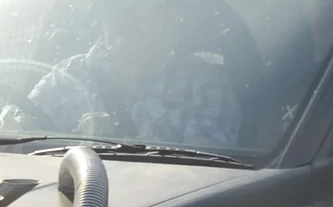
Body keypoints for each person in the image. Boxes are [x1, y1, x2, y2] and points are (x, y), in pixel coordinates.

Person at [28, 18, 242, 147]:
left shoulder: (202, 83)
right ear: (103, 17)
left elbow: (207, 174)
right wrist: (77, 144)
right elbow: (14, 137)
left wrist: (117, 147)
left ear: (173, 22)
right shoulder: (66, 76)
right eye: (118, 5)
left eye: (147, 9)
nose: (130, 20)